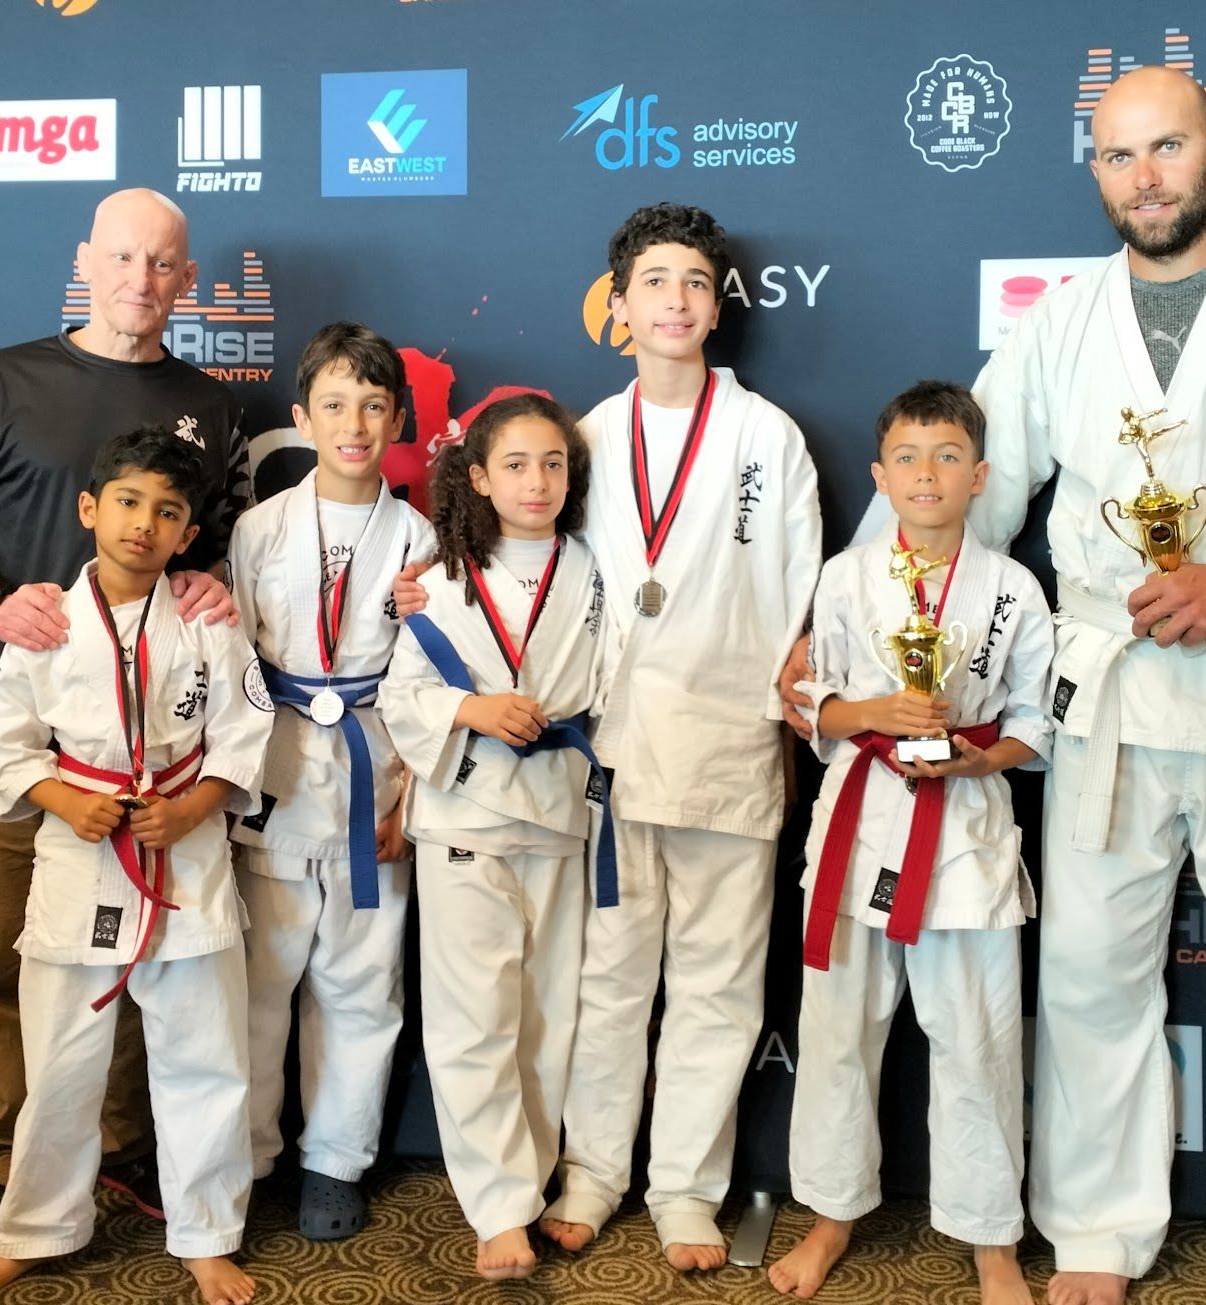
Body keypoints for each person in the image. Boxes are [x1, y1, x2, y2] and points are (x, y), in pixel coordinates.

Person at [788, 66, 1206, 1305]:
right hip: (1111, 688)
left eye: (1166, 148)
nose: (1144, 178)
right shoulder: (1058, 321)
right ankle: (1095, 1228)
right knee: (1091, 977)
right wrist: (848, 628)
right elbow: (960, 488)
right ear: (1093, 171)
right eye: (1117, 156)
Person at [397, 202, 822, 1269]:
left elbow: (797, 604)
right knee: (608, 981)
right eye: (654, 282)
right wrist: (432, 578)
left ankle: (685, 1190)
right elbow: (524, 564)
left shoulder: (767, 437)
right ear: (618, 303)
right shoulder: (583, 436)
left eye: (695, 282)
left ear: (717, 306)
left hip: (729, 742)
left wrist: (785, 706)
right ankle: (591, 1173)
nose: (675, 301)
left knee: (719, 985)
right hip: (612, 753)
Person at [0, 188, 247, 1259]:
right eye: (123, 257)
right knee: (17, 961)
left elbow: (224, 555)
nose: (141, 279)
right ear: (86, 261)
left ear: (186, 281)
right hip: (33, 741)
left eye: (163, 263)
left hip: (160, 751)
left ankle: (127, 1150)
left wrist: (216, 586)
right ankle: (0, 1163)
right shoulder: (2, 379)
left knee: (156, 968)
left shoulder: (215, 407)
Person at [0, 427, 274, 1305]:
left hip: (185, 849)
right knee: (59, 1062)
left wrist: (194, 808)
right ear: (91, 508)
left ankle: (206, 1234)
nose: (144, 523)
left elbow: (244, 733)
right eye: (128, 502)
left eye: (167, 512)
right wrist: (64, 800)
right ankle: (35, 1229)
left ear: (188, 534)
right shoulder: (46, 621)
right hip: (80, 852)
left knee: (205, 1057)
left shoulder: (206, 619)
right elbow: (9, 743)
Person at [768, 382, 1050, 1304]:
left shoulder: (1011, 588)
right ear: (880, 475)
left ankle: (991, 1235)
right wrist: (874, 712)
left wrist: (977, 758)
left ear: (980, 475)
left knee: (977, 1039)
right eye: (907, 458)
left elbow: (1033, 721)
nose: (926, 473)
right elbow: (813, 705)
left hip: (964, 832)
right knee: (836, 1033)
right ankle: (830, 1212)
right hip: (862, 819)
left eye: (946, 456)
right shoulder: (845, 577)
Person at [379, 393, 610, 1281]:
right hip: (465, 813)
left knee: (547, 1013)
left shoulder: (593, 567)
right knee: (473, 1016)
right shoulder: (439, 580)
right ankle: (498, 1205)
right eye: (514, 464)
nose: (535, 481)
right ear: (477, 477)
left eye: (552, 463)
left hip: (557, 807)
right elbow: (402, 695)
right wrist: (472, 708)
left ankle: (536, 1176)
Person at [227, 323, 434, 1239]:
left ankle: (335, 1160)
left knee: (360, 982)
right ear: (302, 417)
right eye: (335, 404)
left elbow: (430, 681)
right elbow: (231, 662)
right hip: (271, 771)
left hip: (371, 777)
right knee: (257, 982)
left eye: (374, 405)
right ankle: (245, 1154)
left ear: (398, 419)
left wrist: (409, 795)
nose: (354, 424)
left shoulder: (420, 537)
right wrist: (225, 786)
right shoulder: (259, 527)